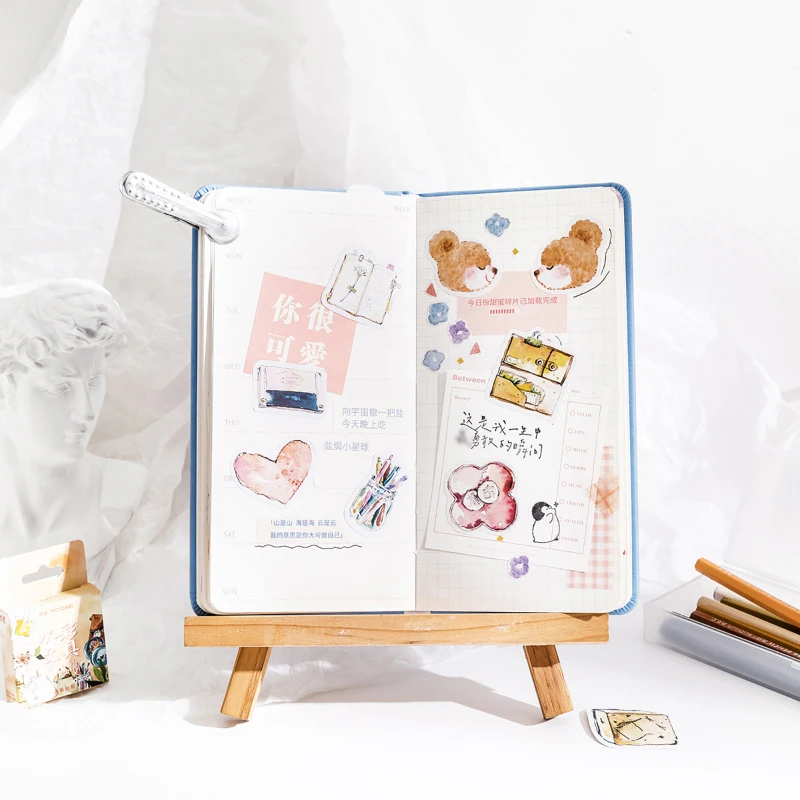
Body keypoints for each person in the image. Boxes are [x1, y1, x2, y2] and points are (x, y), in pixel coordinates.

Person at [0, 279, 146, 586]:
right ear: (6, 388)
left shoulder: (118, 491)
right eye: (59, 388)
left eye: (93, 382)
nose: (87, 411)